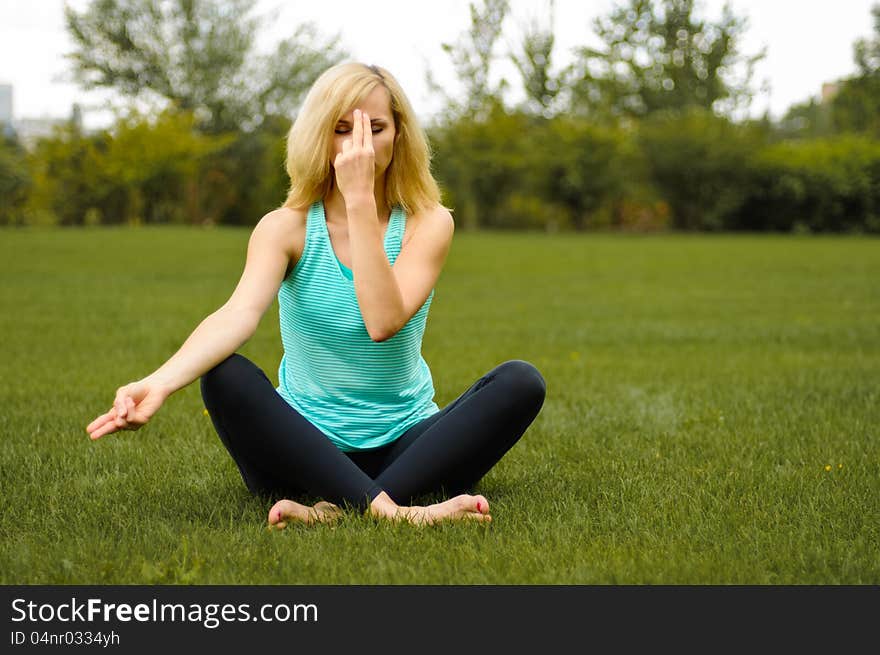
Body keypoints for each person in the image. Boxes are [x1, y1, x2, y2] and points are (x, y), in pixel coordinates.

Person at [86, 62, 546, 528]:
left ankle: (337, 506)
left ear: (399, 135)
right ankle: (396, 509)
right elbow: (239, 313)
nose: (357, 146)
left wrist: (361, 201)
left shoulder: (429, 223)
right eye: (342, 129)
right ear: (319, 136)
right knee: (223, 376)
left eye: (375, 129)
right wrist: (159, 383)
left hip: (406, 442)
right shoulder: (285, 228)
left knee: (520, 382)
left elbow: (382, 321)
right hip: (303, 449)